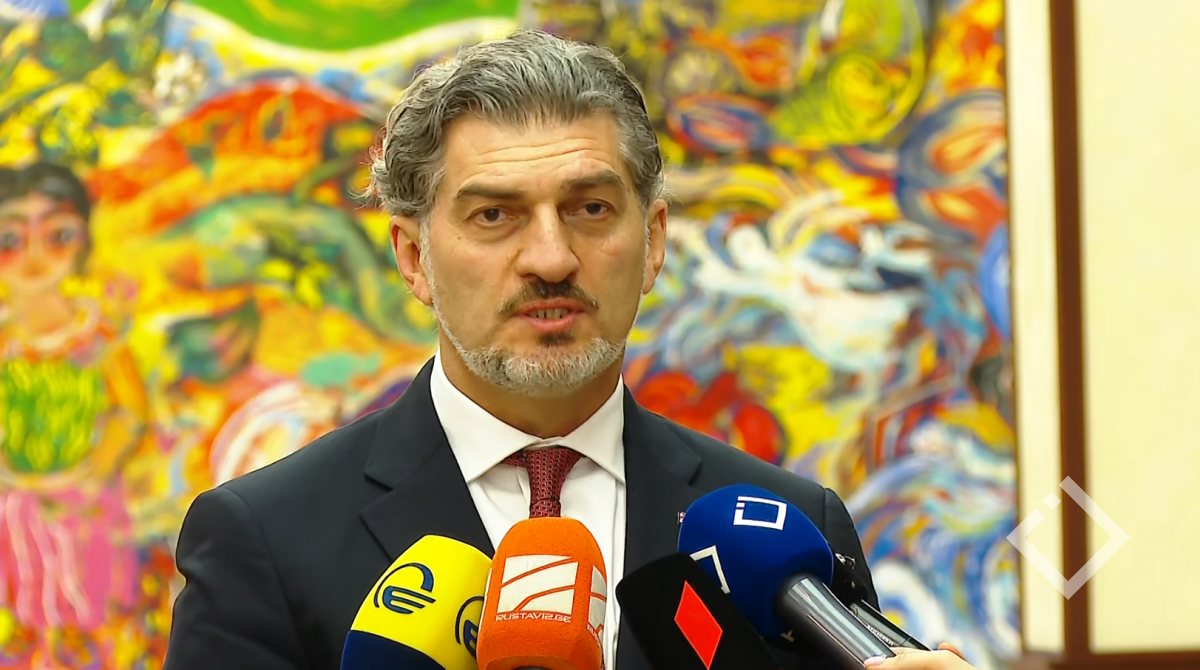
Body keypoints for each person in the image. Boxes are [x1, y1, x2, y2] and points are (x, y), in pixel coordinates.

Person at [162, 29, 878, 670]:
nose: (551, 258)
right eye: (494, 215)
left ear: (653, 241)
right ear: (414, 258)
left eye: (590, 208)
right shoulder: (267, 540)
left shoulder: (793, 534)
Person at [0, 162, 149, 667]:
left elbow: (131, 411)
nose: (34, 257)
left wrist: (96, 473)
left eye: (57, 236)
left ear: (82, 241)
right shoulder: (4, 341)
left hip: (86, 510)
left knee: (89, 620)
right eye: (10, 240)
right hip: (14, 510)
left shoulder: (96, 335)